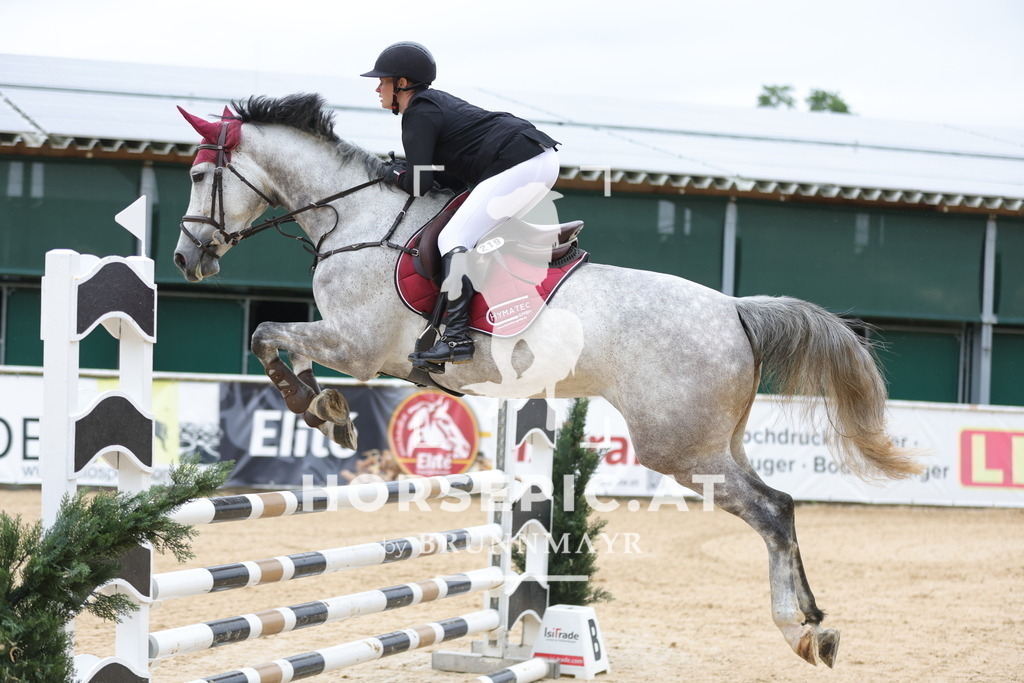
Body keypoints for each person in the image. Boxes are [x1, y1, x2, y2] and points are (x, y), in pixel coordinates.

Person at [360, 41, 560, 369]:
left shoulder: (418, 113)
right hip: (534, 159)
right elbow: (449, 179)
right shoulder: (431, 106)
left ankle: (456, 338)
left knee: (453, 239)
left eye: (383, 81)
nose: (377, 88)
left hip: (521, 163)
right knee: (474, 238)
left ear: (402, 84)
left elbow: (419, 185)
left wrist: (389, 173)